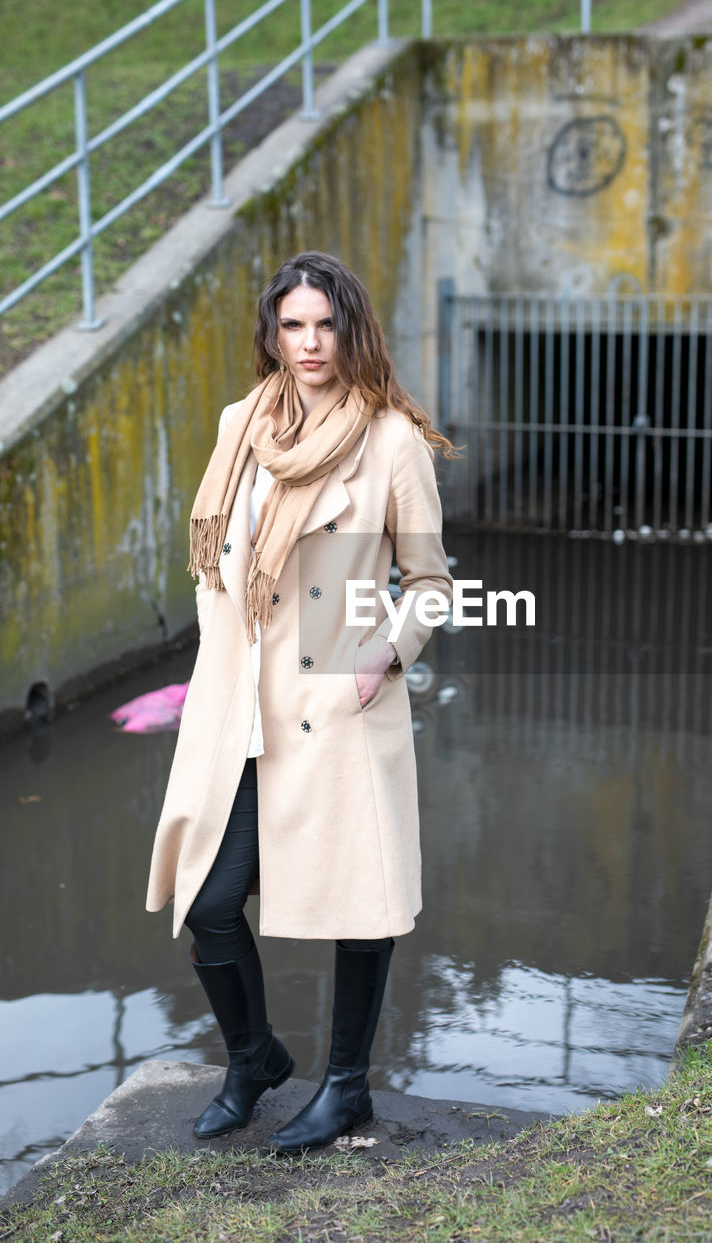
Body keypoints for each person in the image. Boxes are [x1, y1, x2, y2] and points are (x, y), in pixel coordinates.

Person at [146, 250, 454, 1152]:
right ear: (272, 334)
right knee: (208, 900)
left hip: (335, 697)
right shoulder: (242, 425)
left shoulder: (390, 441)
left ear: (349, 329)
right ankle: (252, 1059)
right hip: (237, 704)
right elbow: (218, 561)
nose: (310, 342)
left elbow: (430, 583)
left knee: (358, 903)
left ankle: (347, 1086)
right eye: (293, 325)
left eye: (325, 324)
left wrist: (380, 656)